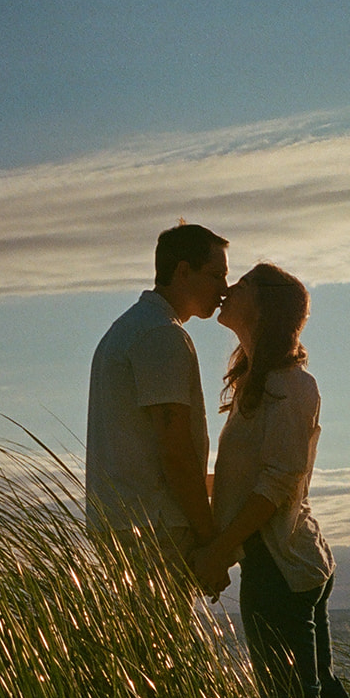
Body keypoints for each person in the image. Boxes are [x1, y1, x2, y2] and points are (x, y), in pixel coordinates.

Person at [190, 263, 350, 698]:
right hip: (289, 560)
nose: (228, 289)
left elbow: (276, 484)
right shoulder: (258, 382)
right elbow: (249, 480)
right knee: (317, 692)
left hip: (282, 565)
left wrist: (220, 549)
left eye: (240, 284)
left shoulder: (292, 386)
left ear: (263, 306)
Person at [85, 223, 229, 573]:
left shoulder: (129, 328)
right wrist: (211, 540)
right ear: (183, 271)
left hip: (122, 521)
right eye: (216, 275)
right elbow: (175, 451)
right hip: (155, 526)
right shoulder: (162, 335)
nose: (225, 289)